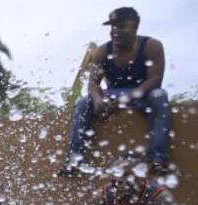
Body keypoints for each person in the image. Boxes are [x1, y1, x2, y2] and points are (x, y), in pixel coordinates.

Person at [61, 7, 172, 176]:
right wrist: (98, 100)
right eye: (112, 27)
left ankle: (158, 159)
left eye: (121, 26)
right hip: (113, 94)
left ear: (135, 26)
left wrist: (127, 99)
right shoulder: (103, 51)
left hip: (142, 95)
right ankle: (75, 160)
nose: (115, 31)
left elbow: (155, 80)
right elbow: (93, 84)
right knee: (84, 102)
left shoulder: (151, 46)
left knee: (160, 95)